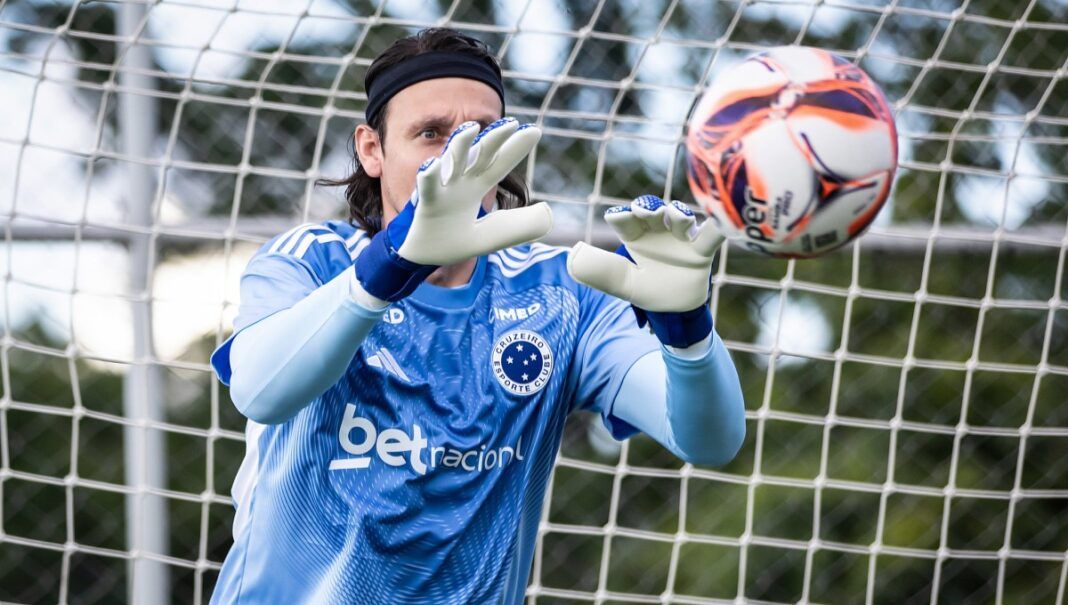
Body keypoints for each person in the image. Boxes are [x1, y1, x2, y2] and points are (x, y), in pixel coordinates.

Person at [208, 27, 745, 604]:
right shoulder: (309, 262)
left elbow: (710, 440)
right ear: (371, 149)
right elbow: (260, 391)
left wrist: (688, 334)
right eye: (431, 133)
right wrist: (394, 262)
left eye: (484, 134)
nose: (459, 154)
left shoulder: (563, 292)